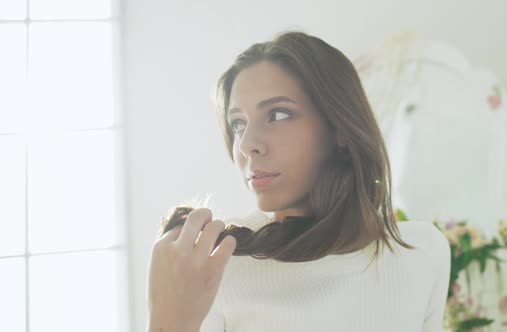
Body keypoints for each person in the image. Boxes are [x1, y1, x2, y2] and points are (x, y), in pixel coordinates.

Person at [147, 30, 451, 332]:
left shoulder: (422, 253)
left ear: (340, 127)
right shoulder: (217, 268)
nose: (247, 143)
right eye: (238, 123)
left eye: (278, 115)